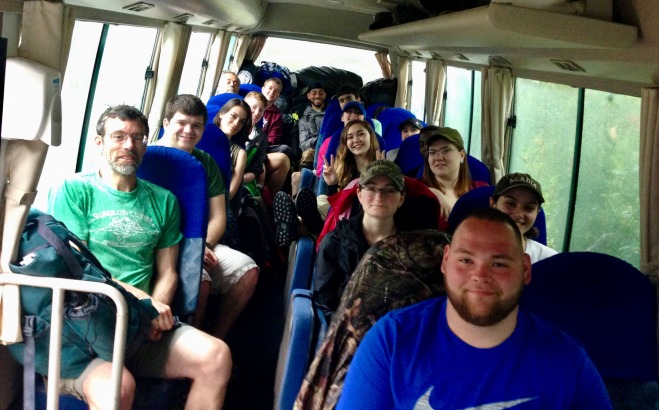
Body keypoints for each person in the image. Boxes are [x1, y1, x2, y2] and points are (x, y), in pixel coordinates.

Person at [48, 105, 232, 409]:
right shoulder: (74, 190)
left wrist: (152, 317)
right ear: (99, 143)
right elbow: (79, 269)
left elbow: (168, 272)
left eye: (137, 138)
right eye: (118, 137)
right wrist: (143, 303)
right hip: (87, 325)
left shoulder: (164, 201)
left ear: (147, 143)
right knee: (118, 390)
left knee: (217, 357)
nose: (128, 146)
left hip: (139, 326)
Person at [337, 208, 612, 409]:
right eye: (466, 260)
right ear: (445, 262)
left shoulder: (567, 362)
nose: (480, 275)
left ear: (525, 270)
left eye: (500, 263)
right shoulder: (392, 341)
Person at [158, 94, 259, 340]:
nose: (188, 131)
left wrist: (203, 246)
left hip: (200, 240)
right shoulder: (149, 158)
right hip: (160, 244)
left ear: (204, 129)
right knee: (199, 279)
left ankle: (213, 336)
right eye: (181, 123)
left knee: (248, 270)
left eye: (196, 126)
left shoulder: (207, 164)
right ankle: (189, 340)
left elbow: (218, 217)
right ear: (166, 123)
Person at [313, 160, 405, 321]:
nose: (379, 196)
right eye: (371, 188)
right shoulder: (334, 243)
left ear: (401, 198)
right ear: (359, 194)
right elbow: (325, 303)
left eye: (389, 190)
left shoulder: (412, 245)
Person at [421, 127, 489, 229]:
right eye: (432, 152)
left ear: (461, 155)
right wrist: (432, 192)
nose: (438, 157)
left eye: (446, 150)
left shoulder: (480, 190)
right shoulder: (417, 189)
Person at [490, 172, 558, 263]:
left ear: (537, 213)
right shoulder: (467, 250)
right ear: (493, 204)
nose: (518, 215)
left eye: (529, 208)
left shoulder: (549, 260)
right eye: (511, 204)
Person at [212, 98, 253, 201]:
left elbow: (230, 193)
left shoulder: (240, 154)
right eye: (233, 116)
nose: (236, 123)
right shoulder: (202, 138)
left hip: (220, 202)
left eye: (241, 121)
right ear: (221, 114)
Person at [261, 77, 292, 195]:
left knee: (285, 150)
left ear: (279, 95)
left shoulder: (276, 115)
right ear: (263, 89)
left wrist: (261, 143)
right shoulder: (250, 104)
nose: (272, 92)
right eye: (270, 88)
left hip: (265, 146)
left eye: (276, 91)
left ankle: (276, 196)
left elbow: (274, 138)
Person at [242, 91, 269, 197]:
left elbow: (256, 169)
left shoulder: (261, 137)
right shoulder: (232, 127)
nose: (257, 113)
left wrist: (238, 180)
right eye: (253, 107)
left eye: (261, 110)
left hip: (245, 180)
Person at [298, 82, 327, 168]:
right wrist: (318, 140)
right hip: (312, 151)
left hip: (330, 147)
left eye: (321, 93)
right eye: (314, 93)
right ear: (308, 96)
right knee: (307, 154)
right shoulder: (304, 119)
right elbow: (303, 144)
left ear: (325, 95)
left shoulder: (332, 115)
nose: (317, 96)